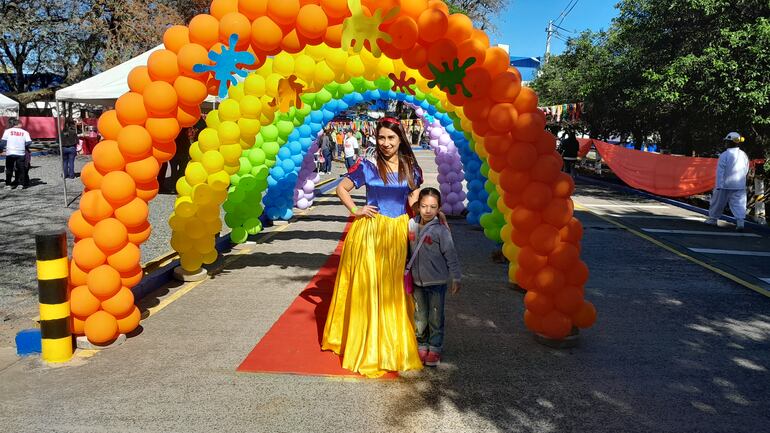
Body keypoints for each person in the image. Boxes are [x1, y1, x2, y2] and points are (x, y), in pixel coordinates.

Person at [322, 117, 424, 377]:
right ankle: (367, 340)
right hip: (370, 231)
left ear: (400, 138)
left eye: (391, 138)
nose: (386, 143)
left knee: (393, 287)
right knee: (369, 286)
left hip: (399, 231)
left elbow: (413, 198)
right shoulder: (367, 166)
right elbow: (341, 189)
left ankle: (392, 338)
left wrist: (429, 217)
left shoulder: (410, 167)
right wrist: (356, 209)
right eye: (382, 138)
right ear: (375, 139)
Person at [408, 187, 461, 367]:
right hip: (417, 282)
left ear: (439, 208)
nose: (428, 210)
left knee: (436, 317)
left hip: (437, 282)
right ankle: (422, 344)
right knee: (420, 316)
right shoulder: (411, 225)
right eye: (424, 206)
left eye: (433, 207)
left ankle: (435, 347)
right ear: (417, 207)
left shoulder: (441, 230)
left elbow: (451, 254)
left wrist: (456, 277)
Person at [705, 132, 750, 231]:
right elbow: (746, 169)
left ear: (729, 142)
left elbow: (720, 171)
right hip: (739, 185)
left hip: (724, 185)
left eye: (726, 141)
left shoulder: (725, 155)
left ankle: (712, 219)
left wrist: (718, 185)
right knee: (739, 204)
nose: (725, 143)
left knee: (717, 203)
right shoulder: (743, 155)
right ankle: (740, 222)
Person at [1, 118, 32, 189]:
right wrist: (22, 145)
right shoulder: (25, 132)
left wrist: (1, 150)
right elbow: (29, 142)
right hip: (21, 153)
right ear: (18, 124)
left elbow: (3, 142)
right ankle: (21, 184)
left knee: (9, 169)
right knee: (21, 168)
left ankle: (8, 184)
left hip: (10, 152)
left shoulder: (7, 131)